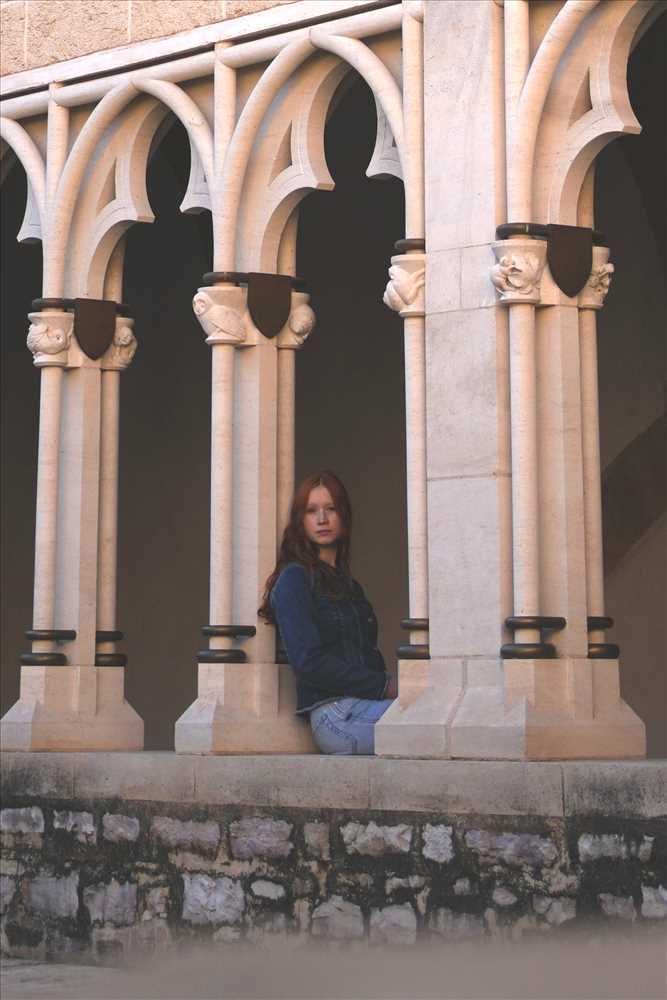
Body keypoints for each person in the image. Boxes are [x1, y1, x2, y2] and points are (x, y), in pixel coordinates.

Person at [259, 470, 396, 755]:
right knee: (427, 725)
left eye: (331, 508)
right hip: (335, 716)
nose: (322, 519)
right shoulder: (295, 579)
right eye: (311, 511)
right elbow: (309, 663)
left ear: (344, 515)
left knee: (430, 714)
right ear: (301, 521)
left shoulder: (350, 586)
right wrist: (385, 686)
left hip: (366, 705)